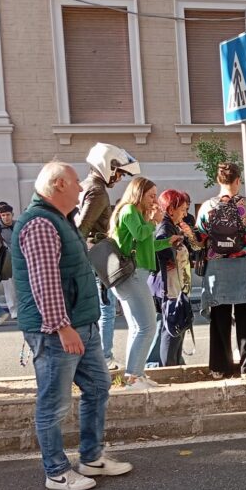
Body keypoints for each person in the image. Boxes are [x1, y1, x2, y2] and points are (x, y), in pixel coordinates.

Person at [12, 161, 132, 490]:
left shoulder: (59, 220)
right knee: (53, 403)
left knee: (97, 388)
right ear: (59, 185)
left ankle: (91, 459)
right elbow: (45, 282)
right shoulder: (40, 223)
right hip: (58, 331)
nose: (81, 188)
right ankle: (56, 472)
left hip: (81, 324)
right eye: (76, 182)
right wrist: (62, 327)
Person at [195, 162, 246, 378]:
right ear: (238, 181)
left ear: (218, 180)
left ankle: (219, 367)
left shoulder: (207, 207)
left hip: (217, 268)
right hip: (243, 265)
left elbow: (200, 240)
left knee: (219, 317)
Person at [110, 177, 181, 390]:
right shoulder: (130, 211)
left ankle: (136, 375)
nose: (154, 201)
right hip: (133, 275)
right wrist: (153, 221)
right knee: (147, 326)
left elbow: (147, 245)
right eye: (151, 195)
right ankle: (133, 377)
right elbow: (140, 234)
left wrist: (167, 242)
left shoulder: (136, 213)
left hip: (136, 274)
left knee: (137, 327)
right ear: (138, 194)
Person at [75, 142, 140, 370]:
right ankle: (104, 357)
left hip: (91, 255)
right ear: (109, 167)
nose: (119, 179)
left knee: (100, 307)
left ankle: (98, 356)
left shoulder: (87, 185)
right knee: (106, 308)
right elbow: (81, 228)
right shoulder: (97, 191)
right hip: (98, 255)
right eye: (119, 173)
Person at [149, 189, 195, 367]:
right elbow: (160, 251)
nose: (185, 213)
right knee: (172, 327)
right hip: (170, 286)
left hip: (177, 285)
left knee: (177, 327)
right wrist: (174, 246)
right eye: (182, 209)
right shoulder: (165, 227)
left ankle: (175, 365)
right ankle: (169, 368)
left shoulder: (173, 225)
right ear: (171, 209)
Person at [0, 203, 17, 319]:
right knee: (9, 286)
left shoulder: (18, 224)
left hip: (20, 258)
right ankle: (14, 311)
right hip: (5, 261)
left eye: (8, 215)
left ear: (12, 214)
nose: (5, 217)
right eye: (3, 215)